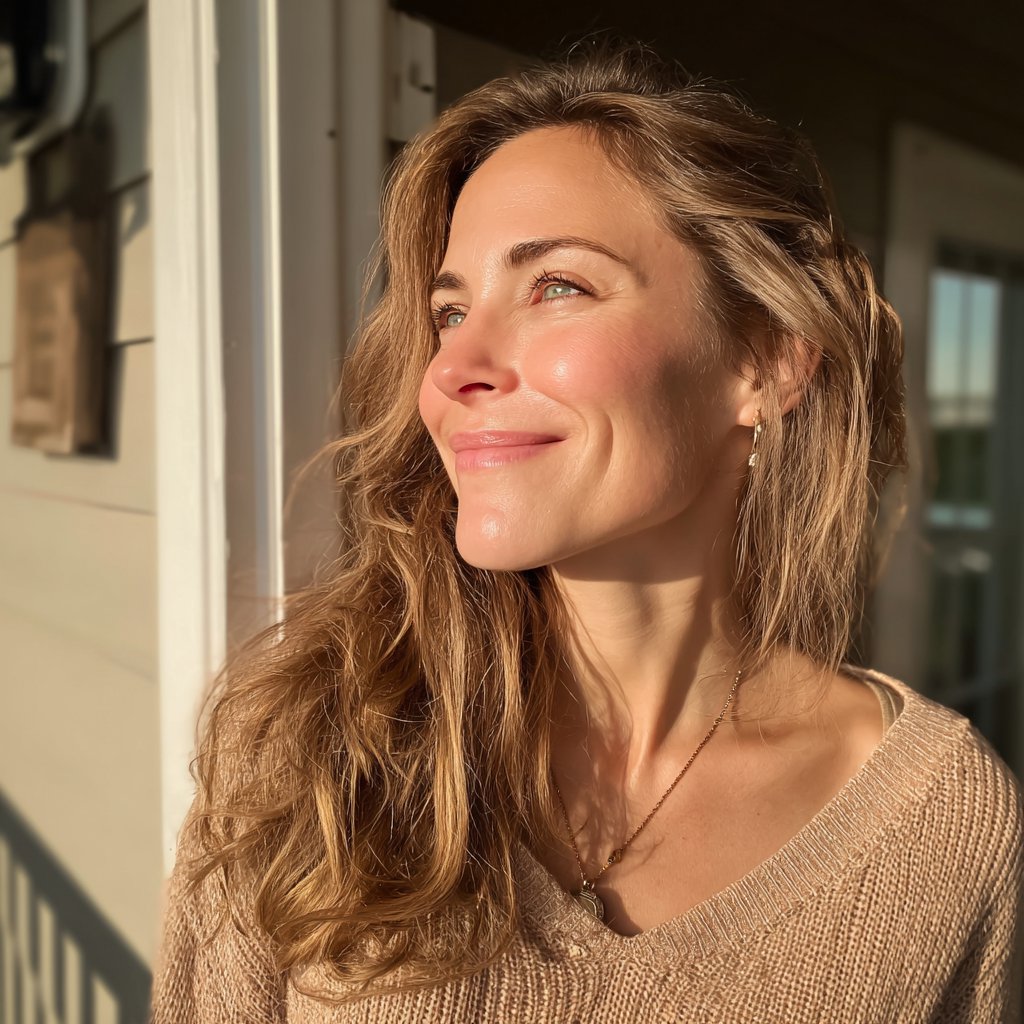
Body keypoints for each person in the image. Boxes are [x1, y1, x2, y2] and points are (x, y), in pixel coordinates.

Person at [150, 40, 1023, 1023]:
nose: (451, 369)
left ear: (765, 364)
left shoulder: (940, 826)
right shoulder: (317, 747)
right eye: (449, 310)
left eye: (557, 286)